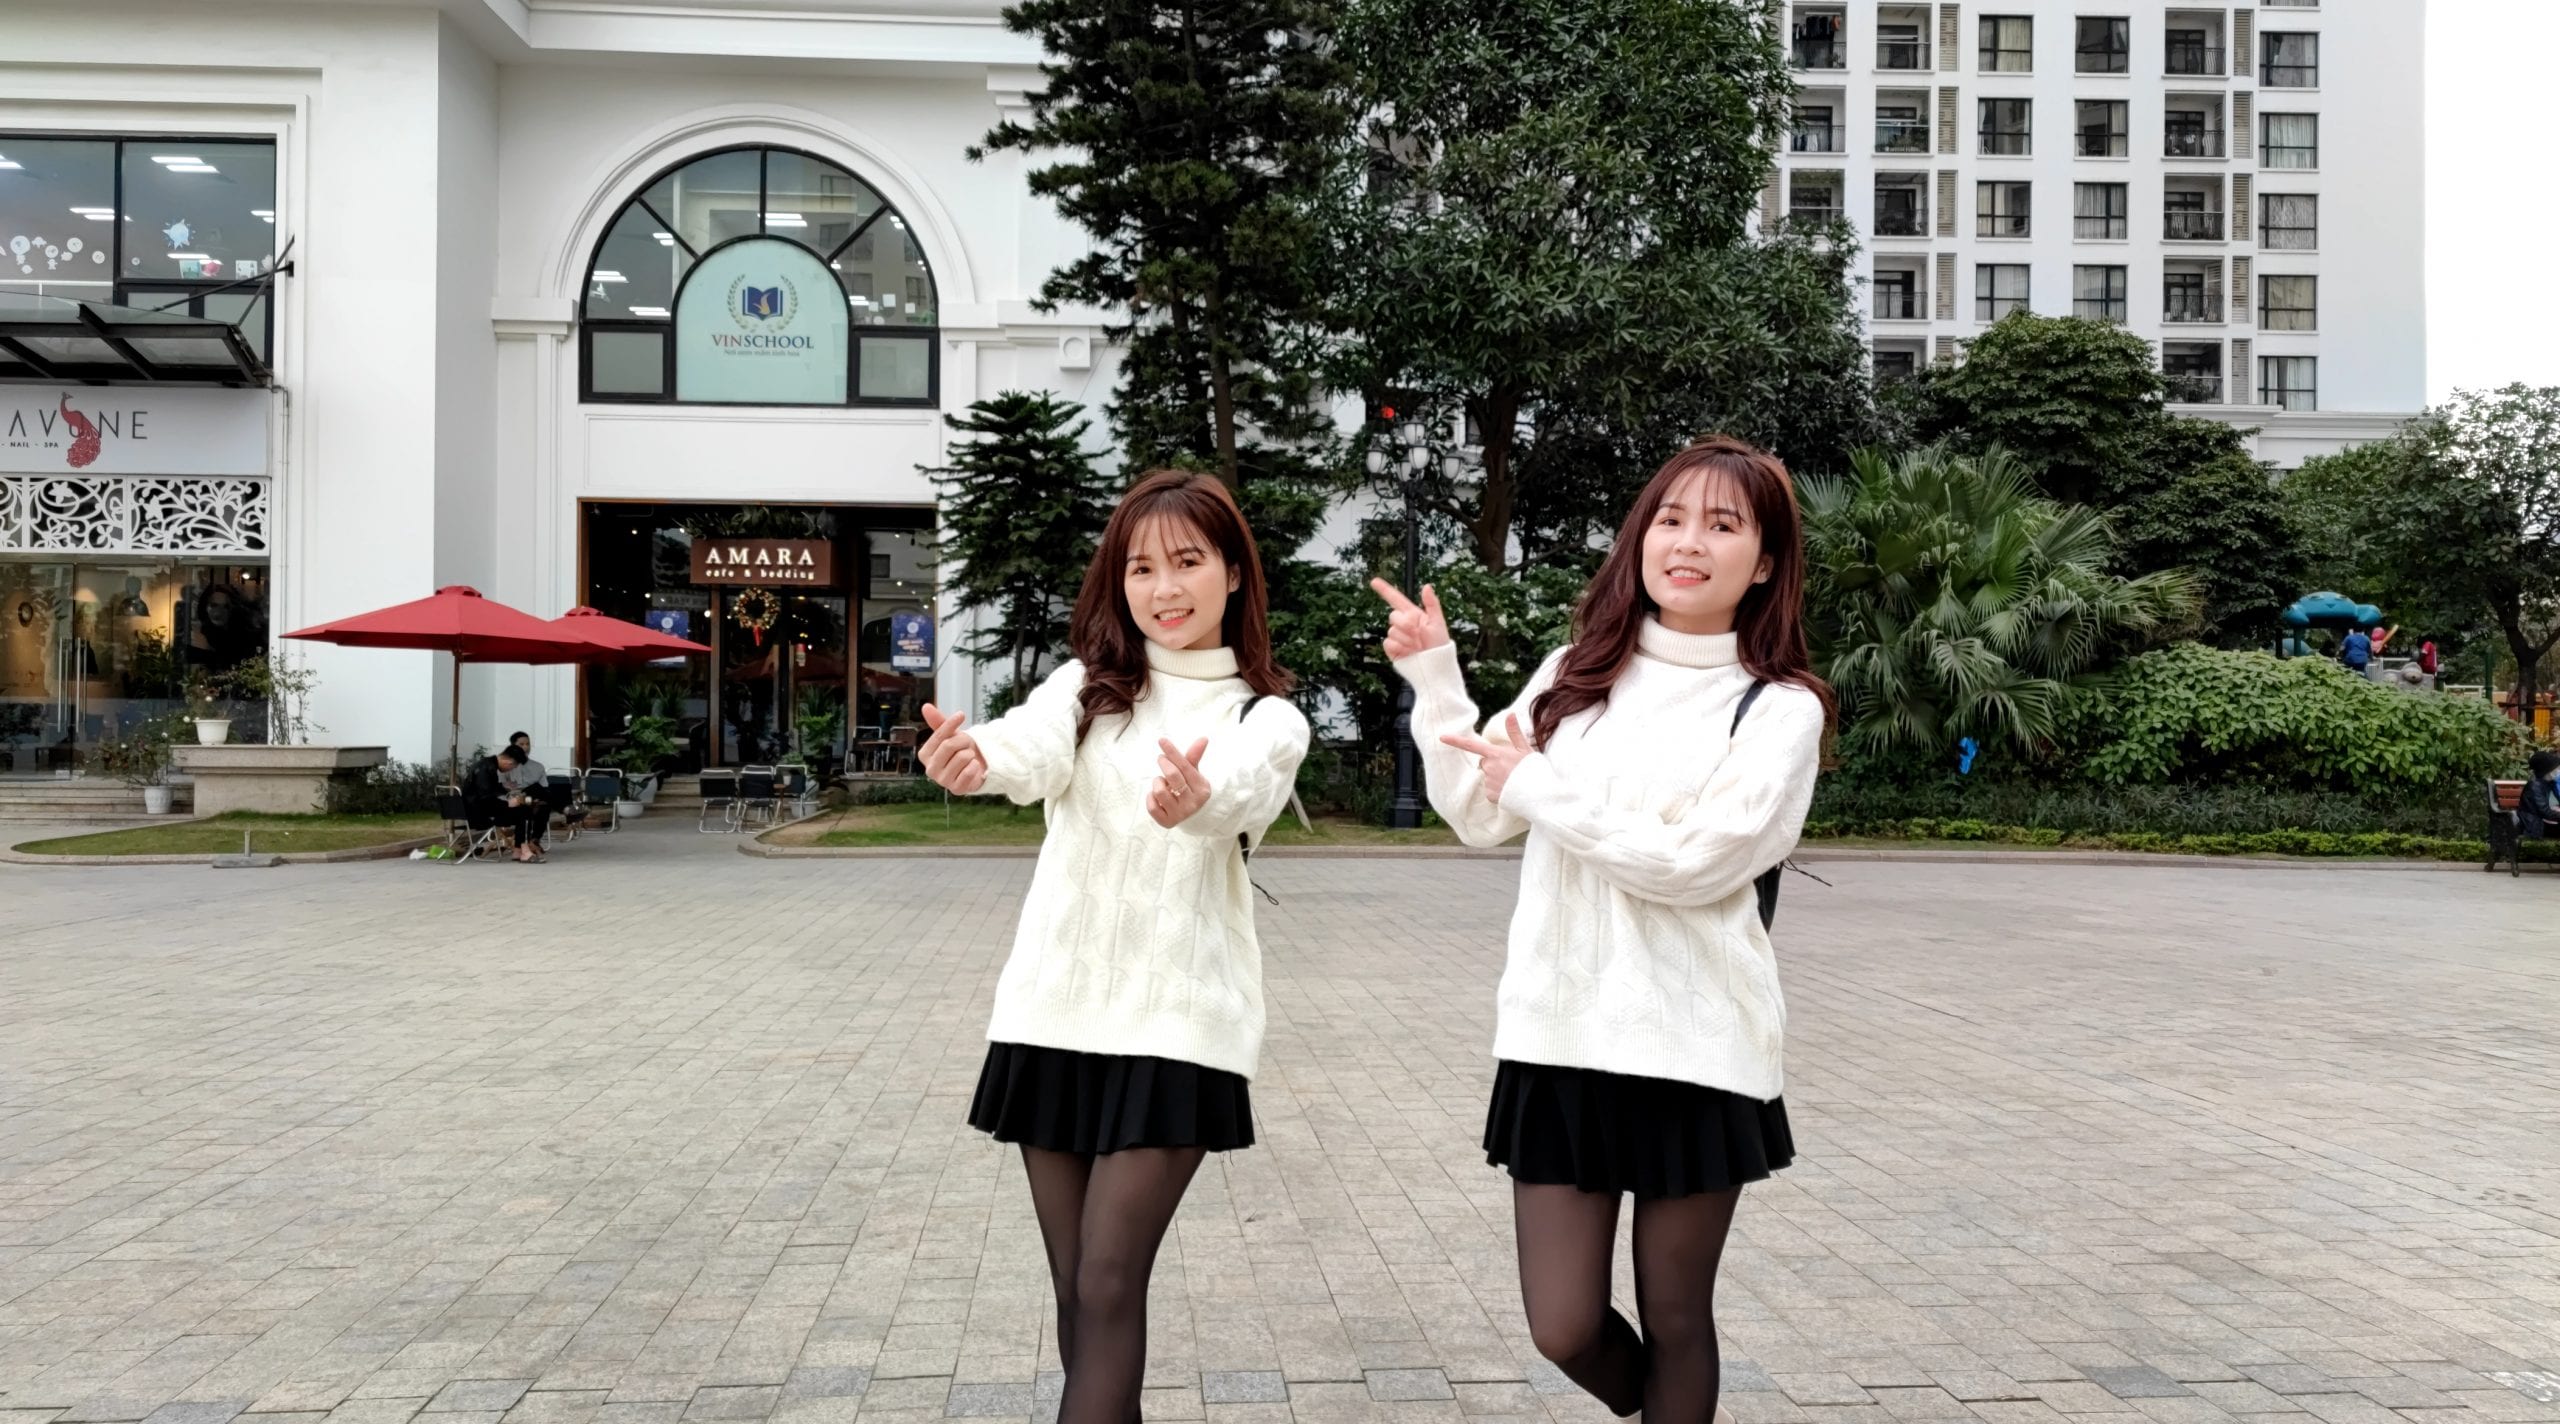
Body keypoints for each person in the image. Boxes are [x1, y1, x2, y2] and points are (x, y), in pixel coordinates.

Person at [1373, 435, 1829, 1424]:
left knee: (1676, 1315)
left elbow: (1695, 864)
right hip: (1562, 1032)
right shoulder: (1575, 671)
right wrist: (1439, 682)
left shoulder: (1779, 710)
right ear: (1640, 538)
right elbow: (1479, 812)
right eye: (1670, 518)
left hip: (1696, 1046)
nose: (1688, 542)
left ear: (1764, 562)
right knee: (1564, 1324)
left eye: (1722, 525)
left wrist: (1541, 788)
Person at [915, 469, 1311, 1424]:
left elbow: (1243, 791)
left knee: (1105, 1279)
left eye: (1187, 562)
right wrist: (973, 761)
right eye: (1140, 568)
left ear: (1232, 573)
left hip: (1177, 1024)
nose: (1164, 588)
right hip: (1055, 1011)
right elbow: (1025, 748)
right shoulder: (1088, 690)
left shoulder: (1264, 717)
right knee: (1079, 1295)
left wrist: (1199, 801)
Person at [463, 747, 547, 863]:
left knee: (523, 809)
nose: (511, 769)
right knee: (524, 811)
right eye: (513, 766)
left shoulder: (486, 765)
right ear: (509, 762)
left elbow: (491, 790)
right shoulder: (486, 769)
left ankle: (519, 850)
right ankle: (524, 851)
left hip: (478, 809)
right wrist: (508, 803)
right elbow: (486, 798)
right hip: (480, 815)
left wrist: (507, 793)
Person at [2522, 750, 2560, 840]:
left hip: (2548, 820)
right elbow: (2545, 812)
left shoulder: (2549, 782)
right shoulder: (2534, 786)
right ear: (2547, 770)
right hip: (2537, 825)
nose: (2558, 771)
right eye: (2556, 768)